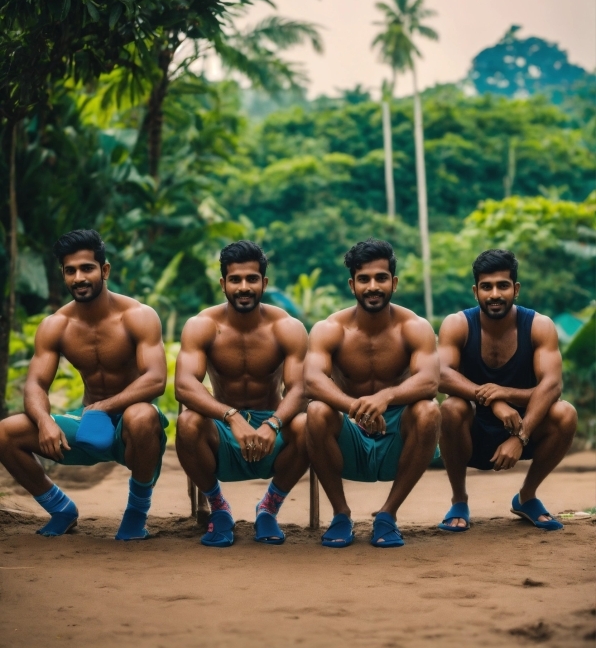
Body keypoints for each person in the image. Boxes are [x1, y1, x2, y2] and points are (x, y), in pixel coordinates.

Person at [0, 229, 169, 539]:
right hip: (89, 426)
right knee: (5, 433)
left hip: (133, 431)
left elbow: (156, 379)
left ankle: (135, 514)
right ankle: (60, 508)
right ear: (63, 274)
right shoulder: (56, 325)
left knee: (141, 415)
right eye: (70, 270)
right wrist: (44, 422)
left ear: (104, 270)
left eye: (87, 268)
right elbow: (36, 383)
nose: (78, 277)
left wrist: (103, 407)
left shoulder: (138, 316)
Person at [304, 239, 440, 548]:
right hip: (350, 432)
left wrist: (386, 397)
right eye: (364, 279)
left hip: (398, 434)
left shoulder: (414, 327)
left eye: (381, 278)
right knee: (316, 411)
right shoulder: (330, 328)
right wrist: (359, 407)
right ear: (352, 284)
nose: (373, 286)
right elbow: (312, 381)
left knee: (429, 410)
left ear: (394, 282)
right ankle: (340, 515)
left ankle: (387, 516)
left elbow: (430, 382)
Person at [175, 241, 308, 547]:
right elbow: (184, 385)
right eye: (235, 280)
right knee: (188, 422)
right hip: (222, 427)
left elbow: (301, 389)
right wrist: (230, 416)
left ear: (264, 282)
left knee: (308, 423)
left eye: (252, 279)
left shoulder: (287, 327)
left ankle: (268, 509)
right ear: (223, 283)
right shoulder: (202, 325)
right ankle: (218, 507)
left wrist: (273, 424)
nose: (244, 287)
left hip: (271, 428)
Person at [437, 249, 577, 532]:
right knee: (451, 408)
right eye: (486, 287)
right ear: (476, 291)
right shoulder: (458, 324)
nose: (495, 294)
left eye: (502, 285)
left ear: (516, 289)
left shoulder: (539, 326)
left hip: (524, 424)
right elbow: (439, 376)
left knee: (565, 413)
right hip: (472, 432)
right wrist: (493, 401)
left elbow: (551, 387)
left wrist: (520, 434)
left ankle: (527, 496)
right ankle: (459, 500)